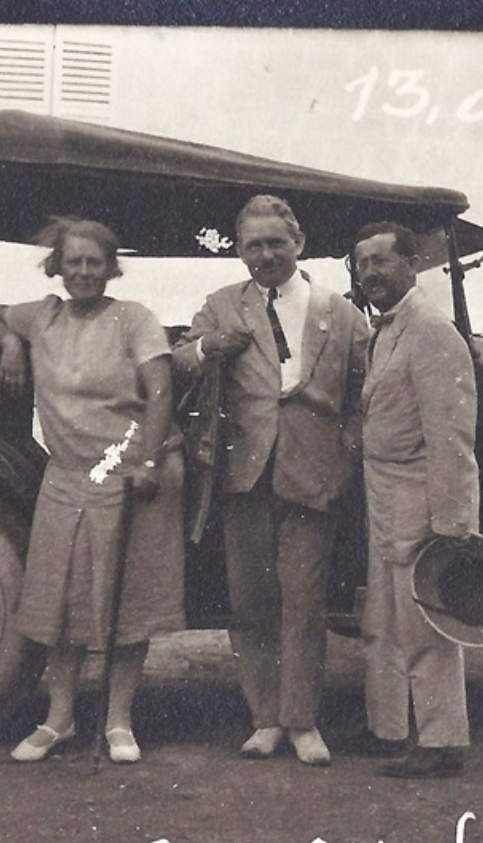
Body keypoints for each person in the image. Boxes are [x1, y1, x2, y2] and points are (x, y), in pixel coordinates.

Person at [0, 218, 184, 764]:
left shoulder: (133, 319)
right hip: (67, 474)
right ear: (58, 267)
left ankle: (118, 721)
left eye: (95, 262)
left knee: (127, 601)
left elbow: (160, 393)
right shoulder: (43, 316)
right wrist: (11, 347)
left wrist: (151, 459)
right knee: (60, 600)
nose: (84, 272)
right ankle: (59, 719)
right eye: (74, 262)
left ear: (111, 268)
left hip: (129, 469)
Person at [173, 195, 368, 766]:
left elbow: (363, 394)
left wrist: (345, 453)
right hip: (244, 472)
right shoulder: (222, 305)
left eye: (275, 243)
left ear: (298, 244)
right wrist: (209, 347)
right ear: (239, 252)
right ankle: (264, 720)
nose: (265, 255)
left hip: (313, 473)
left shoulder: (340, 312)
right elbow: (179, 361)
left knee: (304, 601)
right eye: (253, 246)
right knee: (251, 600)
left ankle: (302, 721)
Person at [351, 221, 480, 779]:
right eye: (363, 264)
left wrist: (454, 526)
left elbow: (451, 437)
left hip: (420, 502)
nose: (371, 273)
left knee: (426, 623)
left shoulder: (430, 331)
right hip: (383, 499)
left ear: (411, 264)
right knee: (383, 621)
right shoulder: (385, 329)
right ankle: (388, 730)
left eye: (382, 261)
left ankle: (441, 742)